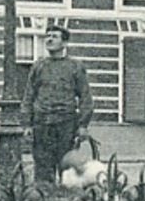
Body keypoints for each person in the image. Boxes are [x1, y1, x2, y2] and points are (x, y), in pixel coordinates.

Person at [19, 26, 93, 185]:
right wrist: (26, 124)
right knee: (42, 167)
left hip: (66, 123)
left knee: (67, 168)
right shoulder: (38, 66)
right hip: (42, 123)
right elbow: (28, 96)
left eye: (54, 36)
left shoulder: (75, 67)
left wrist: (83, 125)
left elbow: (86, 97)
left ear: (64, 43)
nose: (49, 39)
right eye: (47, 36)